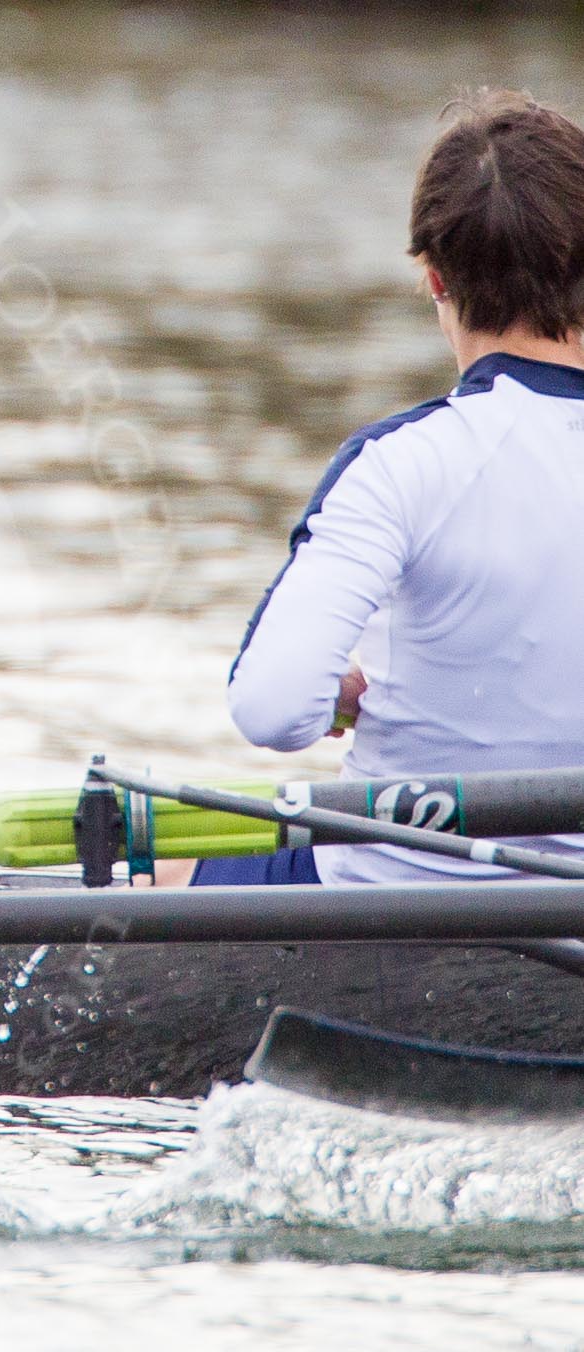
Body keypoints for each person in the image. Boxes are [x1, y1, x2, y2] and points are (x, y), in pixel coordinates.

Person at [190, 89, 584, 887]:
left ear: (434, 279)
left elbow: (270, 708)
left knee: (151, 868)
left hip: (391, 905)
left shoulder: (403, 463)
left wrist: (332, 697)